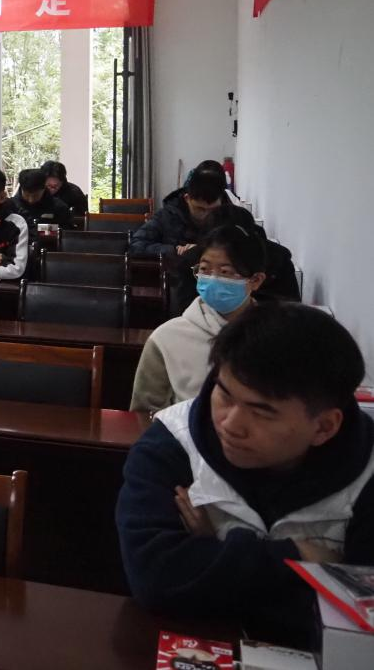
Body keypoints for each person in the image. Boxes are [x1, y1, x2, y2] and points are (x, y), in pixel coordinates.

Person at [116, 303, 374, 646]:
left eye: (261, 412)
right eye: (224, 394)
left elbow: (363, 620)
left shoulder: (367, 473)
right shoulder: (171, 442)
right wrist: (299, 555)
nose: (231, 424)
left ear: (324, 426)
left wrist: (215, 552)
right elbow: (155, 578)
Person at [130, 225, 270, 414]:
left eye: (225, 272)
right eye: (204, 269)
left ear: (256, 280)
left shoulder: (275, 337)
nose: (212, 280)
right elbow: (144, 412)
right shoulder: (167, 337)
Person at [130, 161, 259, 258]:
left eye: (213, 209)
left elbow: (254, 250)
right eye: (200, 208)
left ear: (222, 201)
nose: (206, 215)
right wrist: (175, 250)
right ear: (187, 198)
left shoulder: (234, 218)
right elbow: (136, 245)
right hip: (176, 279)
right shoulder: (167, 216)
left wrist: (203, 251)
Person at [9, 168, 74, 230]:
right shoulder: (10, 206)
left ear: (44, 189)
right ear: (21, 189)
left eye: (35, 196)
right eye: (27, 195)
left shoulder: (59, 208)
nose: (31, 200)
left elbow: (67, 232)